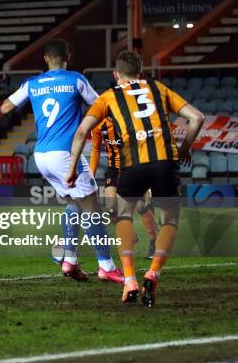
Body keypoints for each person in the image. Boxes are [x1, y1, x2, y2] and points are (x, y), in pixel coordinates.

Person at [66, 50, 205, 306]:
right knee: (171, 220)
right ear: (141, 73)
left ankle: (129, 279)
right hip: (164, 161)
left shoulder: (108, 97)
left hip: (131, 164)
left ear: (115, 74)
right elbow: (197, 117)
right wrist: (185, 146)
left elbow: (82, 131)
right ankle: (153, 273)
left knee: (122, 215)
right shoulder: (157, 87)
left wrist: (73, 167)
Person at [0, 39, 123, 284]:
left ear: (45, 58)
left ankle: (69, 261)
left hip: (41, 154)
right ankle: (106, 266)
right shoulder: (75, 79)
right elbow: (101, 105)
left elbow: (4, 108)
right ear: (69, 55)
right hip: (65, 154)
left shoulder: (33, 84)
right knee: (92, 207)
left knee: (73, 204)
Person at [90, 119, 159, 258]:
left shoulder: (131, 119)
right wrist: (90, 176)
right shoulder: (99, 124)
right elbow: (96, 149)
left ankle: (154, 242)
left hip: (136, 168)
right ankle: (131, 236)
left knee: (142, 207)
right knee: (111, 210)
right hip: (114, 169)